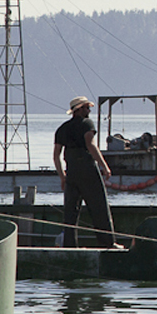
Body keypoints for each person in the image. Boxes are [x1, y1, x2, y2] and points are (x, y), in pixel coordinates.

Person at [55, 96, 118, 248]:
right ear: (80, 109)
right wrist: (104, 166)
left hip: (71, 171)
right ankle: (108, 243)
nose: (89, 111)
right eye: (87, 108)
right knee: (99, 207)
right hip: (87, 169)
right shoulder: (87, 124)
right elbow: (90, 144)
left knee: (70, 212)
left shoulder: (62, 128)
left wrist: (62, 177)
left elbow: (56, 155)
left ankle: (69, 245)